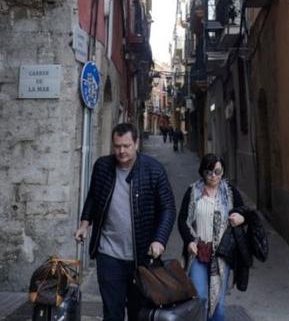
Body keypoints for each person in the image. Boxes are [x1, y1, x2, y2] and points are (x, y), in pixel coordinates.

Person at [75, 123, 176, 321]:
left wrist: (159, 240)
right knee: (112, 313)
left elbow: (168, 208)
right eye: (117, 146)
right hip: (108, 254)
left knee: (139, 313)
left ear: (136, 143)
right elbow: (93, 198)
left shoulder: (154, 170)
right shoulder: (102, 166)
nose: (121, 151)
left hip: (142, 256)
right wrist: (84, 224)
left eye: (126, 146)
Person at [177, 154, 246, 321]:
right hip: (198, 253)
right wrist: (189, 242)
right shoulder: (193, 191)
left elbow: (243, 211)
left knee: (218, 306)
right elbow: (182, 220)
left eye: (217, 171)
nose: (214, 176)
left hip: (221, 256)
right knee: (200, 299)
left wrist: (241, 219)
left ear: (222, 172)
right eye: (209, 172)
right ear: (203, 172)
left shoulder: (229, 192)